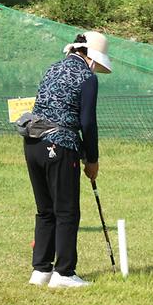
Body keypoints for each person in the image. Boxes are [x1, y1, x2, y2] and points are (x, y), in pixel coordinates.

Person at [24, 31, 112, 289]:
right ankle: (64, 273)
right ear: (92, 58)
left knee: (45, 210)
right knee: (67, 211)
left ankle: (40, 271)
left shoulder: (52, 68)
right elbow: (88, 123)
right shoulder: (87, 77)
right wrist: (92, 159)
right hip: (60, 147)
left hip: (32, 144)